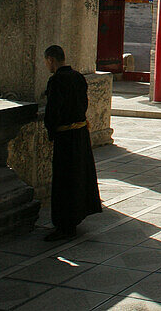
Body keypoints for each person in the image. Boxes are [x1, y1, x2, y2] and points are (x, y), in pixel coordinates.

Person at [42, 44, 102, 241]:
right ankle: (76, 217)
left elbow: (53, 112)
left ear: (51, 60)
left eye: (47, 62)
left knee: (64, 180)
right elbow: (84, 103)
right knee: (79, 176)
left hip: (66, 137)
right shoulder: (77, 77)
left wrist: (51, 132)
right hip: (80, 133)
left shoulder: (57, 81)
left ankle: (64, 225)